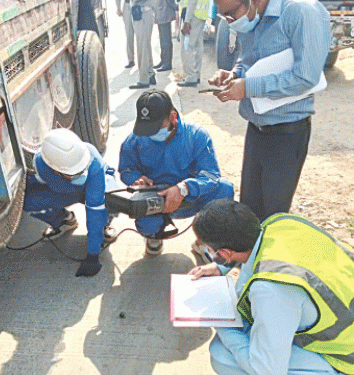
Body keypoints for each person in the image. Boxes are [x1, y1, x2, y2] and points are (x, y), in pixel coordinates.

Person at [188, 198, 354, 375]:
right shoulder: (280, 222)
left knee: (223, 356)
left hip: (346, 358)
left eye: (208, 249)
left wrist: (221, 322)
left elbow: (266, 370)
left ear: (225, 253)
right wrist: (220, 266)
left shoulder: (271, 290)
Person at [208, 0, 331, 221]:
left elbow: (306, 77)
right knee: (250, 209)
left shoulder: (301, 11)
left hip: (286, 135)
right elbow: (250, 61)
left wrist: (248, 87)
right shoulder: (253, 17)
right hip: (256, 128)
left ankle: (268, 255)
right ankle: (251, 254)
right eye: (222, 16)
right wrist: (234, 75)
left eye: (230, 14)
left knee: (273, 215)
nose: (229, 22)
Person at [118, 89, 234, 254]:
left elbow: (211, 175)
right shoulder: (134, 140)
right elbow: (126, 169)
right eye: (147, 128)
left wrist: (184, 189)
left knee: (224, 189)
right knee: (146, 224)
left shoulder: (197, 136)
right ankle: (153, 236)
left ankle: (204, 241)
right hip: (156, 200)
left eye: (156, 127)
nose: (151, 133)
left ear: (173, 117)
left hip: (190, 197)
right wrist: (136, 179)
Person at [23, 128, 115, 277]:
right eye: (74, 173)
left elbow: (95, 208)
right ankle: (63, 221)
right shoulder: (41, 165)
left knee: (111, 197)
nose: (80, 173)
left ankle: (105, 225)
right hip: (64, 191)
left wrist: (93, 254)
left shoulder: (93, 164)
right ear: (55, 170)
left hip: (95, 186)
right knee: (28, 201)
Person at [177, 0, 210, 87]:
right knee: (198, 46)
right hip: (200, 15)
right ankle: (196, 75)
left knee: (186, 47)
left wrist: (187, 21)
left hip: (192, 16)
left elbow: (192, 2)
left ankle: (191, 76)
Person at [129, 0, 157, 89]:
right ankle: (150, 73)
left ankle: (144, 79)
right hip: (144, 12)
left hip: (143, 13)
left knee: (142, 47)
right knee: (146, 46)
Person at [154, 0, 178, 72]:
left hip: (165, 12)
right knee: (162, 40)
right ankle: (163, 60)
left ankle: (167, 63)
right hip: (160, 12)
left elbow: (170, 1)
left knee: (166, 40)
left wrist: (176, 7)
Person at [116, 0, 136, 68]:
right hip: (128, 5)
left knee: (141, 35)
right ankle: (131, 59)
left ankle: (144, 60)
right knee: (129, 34)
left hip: (139, 5)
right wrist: (118, 8)